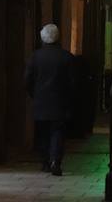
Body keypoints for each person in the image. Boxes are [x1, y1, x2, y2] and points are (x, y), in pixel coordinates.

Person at [24, 24, 74, 176]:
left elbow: (27, 79)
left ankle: (45, 161)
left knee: (42, 132)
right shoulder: (66, 57)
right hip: (60, 102)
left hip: (41, 101)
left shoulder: (35, 57)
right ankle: (55, 161)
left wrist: (34, 94)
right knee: (57, 132)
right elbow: (73, 82)